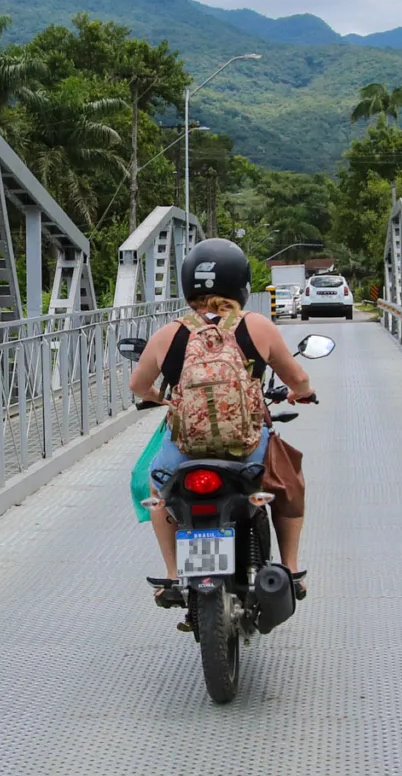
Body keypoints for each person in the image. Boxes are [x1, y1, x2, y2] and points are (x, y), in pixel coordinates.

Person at [128, 238, 317, 610]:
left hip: (185, 448)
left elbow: (137, 385)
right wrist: (302, 394)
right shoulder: (257, 326)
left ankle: (170, 574)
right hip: (247, 444)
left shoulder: (171, 333)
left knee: (156, 484)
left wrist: (157, 397)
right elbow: (298, 380)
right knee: (288, 482)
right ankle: (291, 570)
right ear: (241, 282)